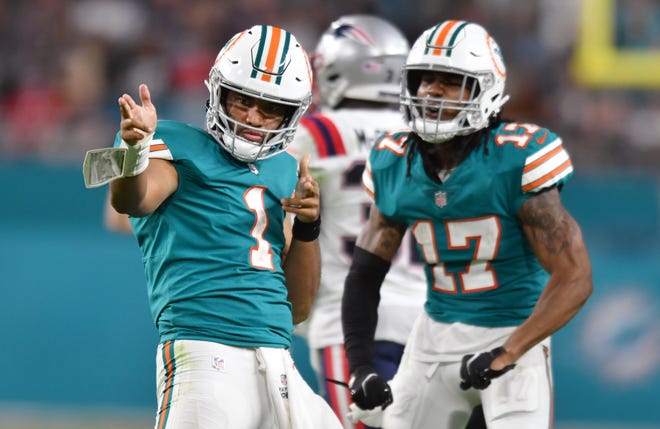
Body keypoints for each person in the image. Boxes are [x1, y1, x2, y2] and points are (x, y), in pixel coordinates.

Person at [83, 25, 342, 429]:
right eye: (242, 100)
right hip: (205, 349)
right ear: (218, 92)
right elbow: (132, 200)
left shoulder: (287, 168)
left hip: (278, 359)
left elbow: (298, 307)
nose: (254, 116)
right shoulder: (175, 144)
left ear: (293, 113)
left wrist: (309, 228)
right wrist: (133, 150)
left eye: (270, 107)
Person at [341, 20, 593, 429]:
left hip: (514, 333)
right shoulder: (394, 161)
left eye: (450, 81)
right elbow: (364, 277)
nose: (431, 91)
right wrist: (361, 366)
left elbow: (575, 277)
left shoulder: (515, 159)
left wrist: (508, 352)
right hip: (433, 338)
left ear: (486, 91)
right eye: (425, 79)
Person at [286, 15, 426, 429]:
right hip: (427, 318)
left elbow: (267, 207)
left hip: (349, 322)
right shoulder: (429, 136)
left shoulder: (319, 132)